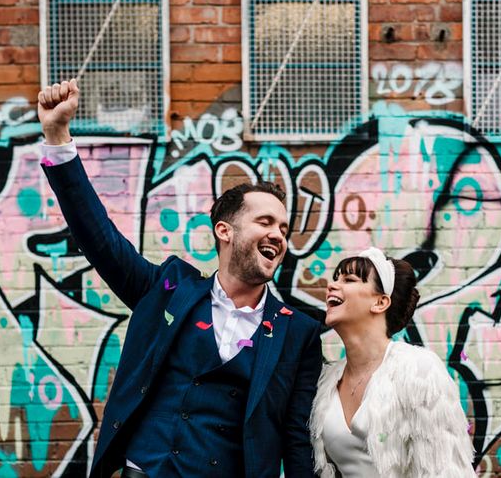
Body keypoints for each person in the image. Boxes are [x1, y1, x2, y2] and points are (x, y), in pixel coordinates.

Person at [37, 79, 322, 478]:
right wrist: (57, 137)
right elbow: (98, 238)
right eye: (264, 221)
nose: (278, 234)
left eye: (284, 228)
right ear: (225, 231)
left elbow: (295, 439)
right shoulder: (168, 290)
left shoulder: (299, 334)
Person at [309, 248, 476, 478]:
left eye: (349, 279)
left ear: (380, 302)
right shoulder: (327, 384)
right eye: (336, 278)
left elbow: (447, 470)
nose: (332, 285)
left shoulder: (418, 371)